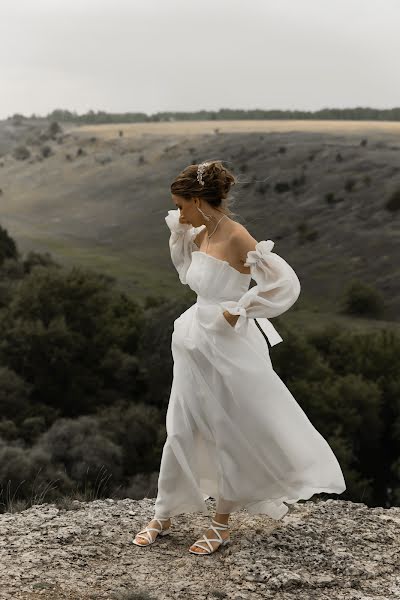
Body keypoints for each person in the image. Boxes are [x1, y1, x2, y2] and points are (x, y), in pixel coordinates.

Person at [132, 160, 346, 555]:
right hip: (193, 342)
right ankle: (164, 512)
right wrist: (182, 235)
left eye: (182, 205)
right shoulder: (198, 232)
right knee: (180, 427)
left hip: (228, 347)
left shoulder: (237, 236)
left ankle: (220, 523)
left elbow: (283, 281)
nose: (178, 213)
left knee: (226, 430)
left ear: (198, 200)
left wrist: (244, 306)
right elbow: (189, 275)